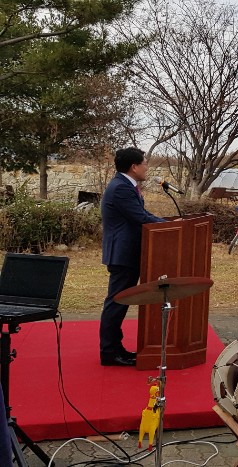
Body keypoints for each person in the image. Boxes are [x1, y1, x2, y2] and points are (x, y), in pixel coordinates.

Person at [100, 147, 166, 366]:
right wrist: (169, 225)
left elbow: (143, 215)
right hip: (123, 253)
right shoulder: (120, 188)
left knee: (119, 301)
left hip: (128, 253)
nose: (147, 167)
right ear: (134, 166)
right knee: (117, 301)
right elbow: (140, 217)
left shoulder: (126, 185)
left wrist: (167, 223)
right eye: (145, 163)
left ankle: (116, 349)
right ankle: (109, 352)